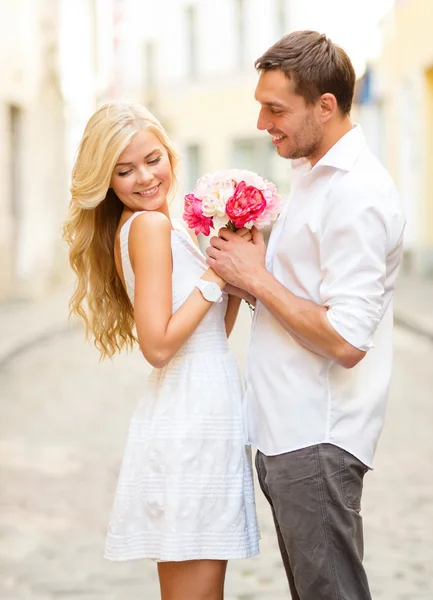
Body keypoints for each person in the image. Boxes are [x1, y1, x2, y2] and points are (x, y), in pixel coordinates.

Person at [207, 30, 406, 600]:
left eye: (276, 110)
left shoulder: (357, 194)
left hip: (317, 434)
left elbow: (346, 338)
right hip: (285, 431)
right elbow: (295, 291)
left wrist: (256, 278)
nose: (263, 124)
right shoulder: (312, 178)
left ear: (325, 105)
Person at [63, 102, 259, 600]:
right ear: (106, 181)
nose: (145, 178)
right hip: (187, 414)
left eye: (153, 159)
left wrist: (229, 270)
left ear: (169, 153)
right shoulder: (147, 228)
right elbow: (157, 344)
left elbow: (212, 329)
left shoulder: (167, 227)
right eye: (124, 170)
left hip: (206, 408)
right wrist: (216, 277)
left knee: (203, 585)